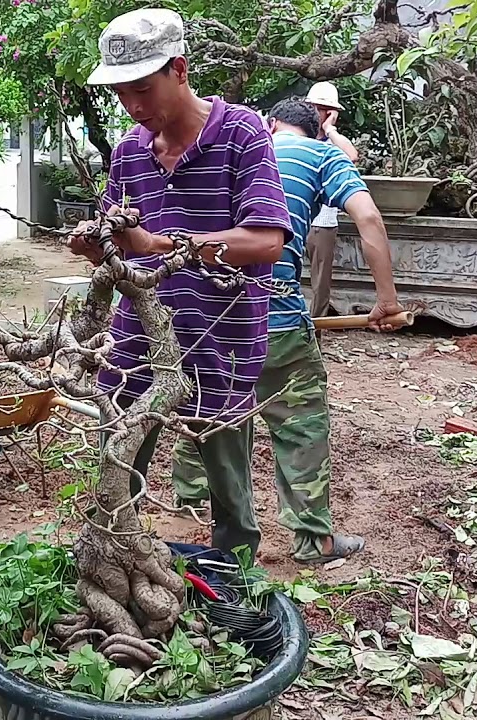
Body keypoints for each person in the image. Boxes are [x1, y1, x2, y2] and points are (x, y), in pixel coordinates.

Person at [71, 8, 292, 557]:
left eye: (143, 89)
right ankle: (118, 557)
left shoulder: (240, 133)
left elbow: (266, 242)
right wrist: (96, 241)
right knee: (120, 456)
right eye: (122, 94)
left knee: (226, 471)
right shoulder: (126, 155)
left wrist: (162, 245)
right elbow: (121, 239)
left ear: (180, 69)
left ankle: (237, 580)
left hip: (224, 332)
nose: (134, 106)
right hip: (139, 334)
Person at [172, 99, 405, 564]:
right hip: (272, 315)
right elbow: (369, 218)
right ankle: (312, 539)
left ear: (272, 124)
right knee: (300, 425)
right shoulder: (322, 156)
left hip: (200, 314)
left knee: (206, 406)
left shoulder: (222, 146)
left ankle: (189, 501)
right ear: (315, 129)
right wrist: (388, 301)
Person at [304, 81, 360, 318]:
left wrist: (330, 129)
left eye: (322, 109)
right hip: (296, 218)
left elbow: (352, 156)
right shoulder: (298, 136)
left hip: (323, 224)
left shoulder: (333, 143)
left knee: (320, 283)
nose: (317, 114)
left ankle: (314, 330)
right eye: (315, 108)